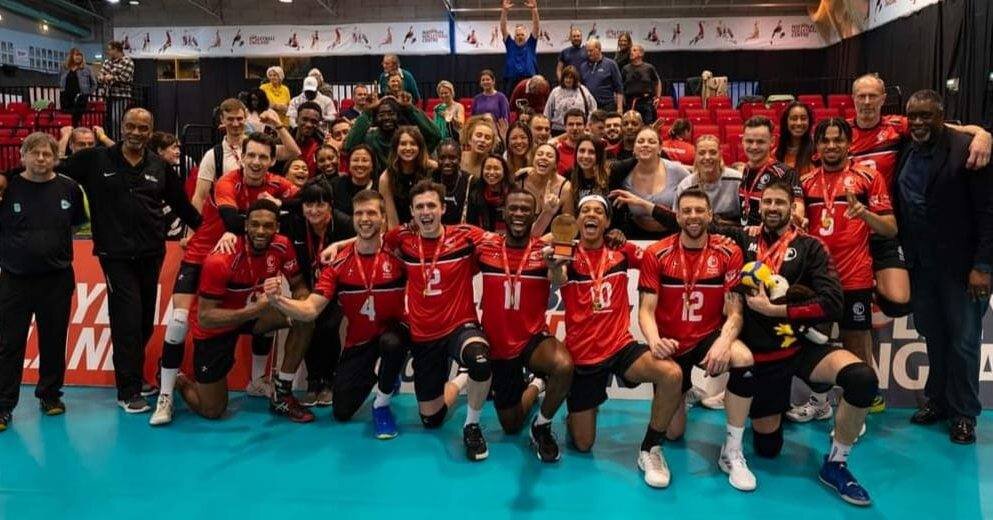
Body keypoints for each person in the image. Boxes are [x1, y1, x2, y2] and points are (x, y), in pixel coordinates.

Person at [727, 179, 878, 507]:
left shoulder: (811, 247)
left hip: (801, 347)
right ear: (759, 206)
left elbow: (833, 303)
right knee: (768, 450)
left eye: (780, 202)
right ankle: (763, 413)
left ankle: (836, 462)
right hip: (763, 356)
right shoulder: (743, 239)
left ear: (793, 208)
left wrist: (775, 309)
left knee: (862, 379)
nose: (772, 208)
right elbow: (696, 221)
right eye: (766, 202)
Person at [43, 108, 201, 412]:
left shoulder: (159, 165)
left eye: (144, 128)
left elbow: (183, 206)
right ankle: (127, 390)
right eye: (131, 126)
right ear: (122, 127)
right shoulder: (95, 159)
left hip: (152, 253)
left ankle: (134, 376)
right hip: (114, 256)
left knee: (142, 323)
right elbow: (55, 172)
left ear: (151, 130)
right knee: (126, 319)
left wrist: (215, 231)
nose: (137, 132)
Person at [150, 133, 300, 425]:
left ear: (271, 161)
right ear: (241, 157)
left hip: (242, 258)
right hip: (204, 255)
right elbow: (232, 221)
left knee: (269, 307)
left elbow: (307, 194)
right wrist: (249, 220)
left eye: (263, 157)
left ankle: (257, 380)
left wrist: (279, 202)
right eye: (251, 155)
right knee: (180, 322)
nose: (256, 162)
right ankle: (166, 393)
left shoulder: (276, 183)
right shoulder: (227, 182)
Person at [549, 195, 683, 487]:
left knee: (671, 373)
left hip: (620, 347)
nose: (592, 214)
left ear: (607, 222)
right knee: (583, 443)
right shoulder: (566, 252)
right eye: (585, 210)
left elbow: (664, 248)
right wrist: (556, 264)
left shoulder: (621, 251)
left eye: (599, 211)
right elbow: (557, 278)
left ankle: (650, 449)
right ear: (577, 221)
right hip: (583, 357)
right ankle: (577, 412)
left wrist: (628, 233)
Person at [638, 188, 756, 491]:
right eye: (686, 211)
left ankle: (732, 451)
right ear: (677, 215)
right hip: (671, 343)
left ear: (710, 215)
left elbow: (736, 312)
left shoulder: (729, 252)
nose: (692, 216)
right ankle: (683, 391)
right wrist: (654, 341)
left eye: (698, 211)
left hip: (707, 337)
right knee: (674, 433)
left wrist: (724, 341)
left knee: (744, 359)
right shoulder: (656, 253)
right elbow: (646, 311)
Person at [895, 90, 993, 444]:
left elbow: (987, 213)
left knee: (964, 342)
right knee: (934, 337)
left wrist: (982, 266)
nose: (918, 122)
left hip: (961, 267)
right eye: (913, 116)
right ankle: (937, 401)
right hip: (921, 266)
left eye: (926, 116)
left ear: (942, 116)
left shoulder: (968, 149)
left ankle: (964, 413)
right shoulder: (906, 145)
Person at [269, 190, 407, 437]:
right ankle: (383, 372)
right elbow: (311, 309)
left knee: (392, 343)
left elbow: (422, 228)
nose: (365, 218)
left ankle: (382, 406)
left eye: (372, 213)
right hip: (359, 341)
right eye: (359, 213)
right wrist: (277, 300)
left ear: (384, 219)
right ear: (352, 218)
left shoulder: (397, 249)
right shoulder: (337, 264)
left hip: (393, 332)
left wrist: (339, 242)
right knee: (341, 412)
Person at [792, 119, 896, 426]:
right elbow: (798, 221)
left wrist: (864, 213)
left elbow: (890, 228)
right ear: (817, 146)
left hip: (855, 278)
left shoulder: (867, 177)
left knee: (857, 345)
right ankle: (820, 402)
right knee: (817, 342)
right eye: (826, 141)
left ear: (848, 144)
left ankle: (857, 412)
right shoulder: (806, 182)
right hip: (818, 278)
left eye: (838, 140)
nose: (832, 146)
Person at [382, 181, 496, 460]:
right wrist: (337, 245)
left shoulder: (466, 236)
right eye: (419, 206)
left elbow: (510, 242)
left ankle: (472, 425)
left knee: (480, 359)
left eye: (431, 205)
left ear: (443, 208)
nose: (426, 211)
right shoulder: (402, 240)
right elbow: (373, 237)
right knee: (431, 420)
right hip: (424, 335)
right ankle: (460, 382)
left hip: (460, 325)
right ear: (411, 211)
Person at [176, 199, 315, 422]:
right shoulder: (220, 259)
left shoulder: (282, 245)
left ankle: (282, 393)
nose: (261, 231)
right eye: (255, 225)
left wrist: (301, 303)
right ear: (245, 226)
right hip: (217, 325)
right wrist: (253, 310)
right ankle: (179, 379)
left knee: (305, 319)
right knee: (212, 410)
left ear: (277, 227)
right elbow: (205, 318)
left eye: (268, 226)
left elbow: (298, 284)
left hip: (254, 313)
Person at [474, 188, 574, 460]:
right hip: (497, 345)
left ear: (534, 214)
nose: (519, 214)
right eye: (513, 209)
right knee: (510, 425)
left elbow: (560, 278)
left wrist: (554, 266)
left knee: (563, 366)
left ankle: (541, 426)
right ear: (504, 213)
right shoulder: (486, 247)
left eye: (525, 210)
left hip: (532, 339)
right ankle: (536, 385)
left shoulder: (548, 249)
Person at [0, 133, 87, 432]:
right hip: (14, 280)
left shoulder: (70, 188)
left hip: (57, 279)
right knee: (8, 344)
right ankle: (3, 405)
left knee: (53, 340)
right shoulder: (7, 188)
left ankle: (50, 395)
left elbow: (77, 224)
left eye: (46, 154)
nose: (40, 159)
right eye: (34, 153)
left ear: (55, 157)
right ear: (22, 156)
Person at [278, 181, 352, 407]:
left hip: (338, 286)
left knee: (329, 326)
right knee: (308, 322)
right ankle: (313, 381)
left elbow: (371, 235)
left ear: (330, 205)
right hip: (306, 284)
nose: (314, 211)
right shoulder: (295, 223)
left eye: (320, 205)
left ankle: (329, 380)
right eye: (309, 205)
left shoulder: (343, 222)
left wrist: (338, 245)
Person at [193, 98, 299, 216]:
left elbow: (294, 152)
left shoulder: (259, 146)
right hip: (229, 220)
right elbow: (200, 197)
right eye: (230, 119)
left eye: (239, 118)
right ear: (222, 119)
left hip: (261, 219)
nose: (235, 124)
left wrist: (277, 125)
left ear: (246, 117)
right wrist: (193, 231)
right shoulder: (213, 155)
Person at [609, 127, 691, 239]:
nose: (645, 145)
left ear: (660, 148)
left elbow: (695, 193)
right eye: (640, 141)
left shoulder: (677, 171)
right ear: (634, 148)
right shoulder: (623, 175)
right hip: (636, 235)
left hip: (672, 235)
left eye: (651, 142)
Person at [344, 92, 441, 173]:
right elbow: (349, 147)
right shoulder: (370, 139)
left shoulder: (409, 141)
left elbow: (435, 135)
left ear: (398, 116)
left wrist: (409, 109)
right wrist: (367, 111)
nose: (386, 118)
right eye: (381, 114)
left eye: (391, 114)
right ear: (376, 119)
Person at [738, 116, 804, 226]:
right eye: (749, 141)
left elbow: (798, 210)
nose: (754, 147)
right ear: (742, 141)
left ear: (772, 141)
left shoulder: (785, 173)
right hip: (747, 238)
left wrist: (795, 217)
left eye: (760, 142)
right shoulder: (745, 170)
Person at [675, 135, 742, 225]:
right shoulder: (686, 186)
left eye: (713, 152)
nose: (707, 157)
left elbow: (746, 220)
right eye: (702, 153)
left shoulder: (737, 181)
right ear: (695, 155)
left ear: (720, 153)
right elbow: (679, 221)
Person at [379, 126, 436, 229]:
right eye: (403, 144)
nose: (408, 148)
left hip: (430, 226)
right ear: (396, 148)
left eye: (413, 144)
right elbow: (392, 220)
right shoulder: (386, 178)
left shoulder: (432, 168)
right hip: (403, 231)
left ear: (420, 147)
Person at [516, 142, 573, 236]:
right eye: (539, 154)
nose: (544, 157)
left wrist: (552, 237)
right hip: (521, 237)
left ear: (555, 164)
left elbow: (569, 226)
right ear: (533, 160)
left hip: (551, 242)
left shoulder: (565, 188)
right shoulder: (519, 179)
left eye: (549, 156)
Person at [332, 145, 378, 230]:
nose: (360, 164)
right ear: (348, 165)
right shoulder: (336, 184)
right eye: (355, 160)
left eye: (365, 160)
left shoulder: (379, 187)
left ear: (372, 166)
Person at [500, 0, 540, 93]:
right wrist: (504, 11)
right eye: (518, 35)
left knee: (530, 105)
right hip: (511, 80)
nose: (520, 36)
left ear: (525, 36)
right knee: (512, 105)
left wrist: (534, 9)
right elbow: (503, 28)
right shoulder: (510, 44)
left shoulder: (530, 44)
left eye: (522, 34)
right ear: (514, 36)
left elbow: (536, 27)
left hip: (529, 80)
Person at [465, 154, 513, 231]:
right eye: (487, 168)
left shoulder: (512, 195)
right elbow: (471, 225)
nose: (491, 172)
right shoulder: (475, 195)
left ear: (504, 171)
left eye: (496, 169)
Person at [97, 41, 134, 138]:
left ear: (116, 50)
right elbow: (101, 75)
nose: (108, 52)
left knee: (116, 119)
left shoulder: (127, 61)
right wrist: (102, 77)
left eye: (109, 49)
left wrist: (111, 77)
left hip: (121, 96)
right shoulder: (107, 62)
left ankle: (118, 140)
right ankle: (111, 139)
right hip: (108, 95)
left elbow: (125, 78)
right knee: (108, 120)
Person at [544, 67, 596, 135]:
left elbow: (593, 108)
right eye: (566, 78)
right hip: (558, 130)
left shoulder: (583, 90)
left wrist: (588, 123)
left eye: (571, 78)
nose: (568, 80)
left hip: (578, 128)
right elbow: (547, 112)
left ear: (575, 79)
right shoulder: (555, 91)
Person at [433, 139, 471, 225]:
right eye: (442, 158)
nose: (446, 162)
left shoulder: (470, 181)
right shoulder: (431, 179)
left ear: (460, 159)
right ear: (437, 159)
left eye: (452, 158)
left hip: (463, 233)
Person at [579, 38, 623, 112]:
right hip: (589, 108)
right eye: (587, 51)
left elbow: (619, 88)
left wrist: (619, 108)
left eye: (591, 51)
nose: (588, 53)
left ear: (599, 49)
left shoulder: (611, 64)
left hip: (607, 106)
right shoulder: (583, 66)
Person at [621, 44, 661, 124]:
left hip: (646, 103)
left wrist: (658, 97)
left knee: (647, 126)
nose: (631, 52)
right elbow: (621, 85)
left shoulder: (649, 68)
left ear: (641, 54)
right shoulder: (625, 69)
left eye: (634, 50)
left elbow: (657, 82)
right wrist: (622, 99)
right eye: (631, 50)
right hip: (630, 102)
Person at [776, 101, 815, 176]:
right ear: (786, 122)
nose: (799, 123)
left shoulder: (817, 152)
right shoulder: (776, 153)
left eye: (803, 118)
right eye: (794, 119)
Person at [60, 48, 96, 128]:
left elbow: (94, 84)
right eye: (76, 55)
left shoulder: (87, 68)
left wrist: (87, 94)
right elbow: (61, 80)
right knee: (67, 121)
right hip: (66, 97)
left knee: (76, 120)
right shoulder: (64, 67)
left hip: (80, 98)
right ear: (71, 56)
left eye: (80, 55)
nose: (78, 57)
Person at [471, 70, 511, 137]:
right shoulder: (477, 98)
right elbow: (473, 118)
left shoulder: (501, 97)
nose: (485, 82)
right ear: (480, 83)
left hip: (497, 133)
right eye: (483, 80)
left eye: (488, 79)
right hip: (480, 132)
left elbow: (505, 119)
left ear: (493, 81)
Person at [569, 136, 609, 200]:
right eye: (582, 151)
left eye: (591, 152)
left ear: (599, 155)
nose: (585, 156)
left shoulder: (611, 172)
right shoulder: (569, 175)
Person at [292, 101, 326, 176]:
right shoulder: (283, 142)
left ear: (318, 124)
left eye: (313, 121)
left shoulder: (323, 145)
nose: (308, 124)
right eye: (304, 119)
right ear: (296, 120)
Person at [460, 115, 499, 180]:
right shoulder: (458, 158)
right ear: (469, 139)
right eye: (478, 135)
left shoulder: (495, 164)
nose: (482, 140)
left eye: (487, 138)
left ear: (491, 145)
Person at [554, 109, 589, 176]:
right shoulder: (556, 150)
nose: (575, 128)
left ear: (585, 126)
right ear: (565, 127)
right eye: (570, 124)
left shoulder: (592, 149)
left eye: (579, 124)